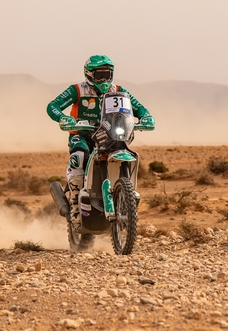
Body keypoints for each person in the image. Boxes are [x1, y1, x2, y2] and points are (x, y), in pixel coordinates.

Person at [46, 54, 154, 224]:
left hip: (109, 135)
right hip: (82, 134)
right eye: (100, 75)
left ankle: (125, 195)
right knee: (79, 157)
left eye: (107, 74)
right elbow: (53, 106)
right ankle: (75, 203)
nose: (104, 79)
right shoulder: (77, 90)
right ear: (89, 74)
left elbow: (139, 107)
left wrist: (146, 116)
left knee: (125, 152)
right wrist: (62, 117)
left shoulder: (118, 91)